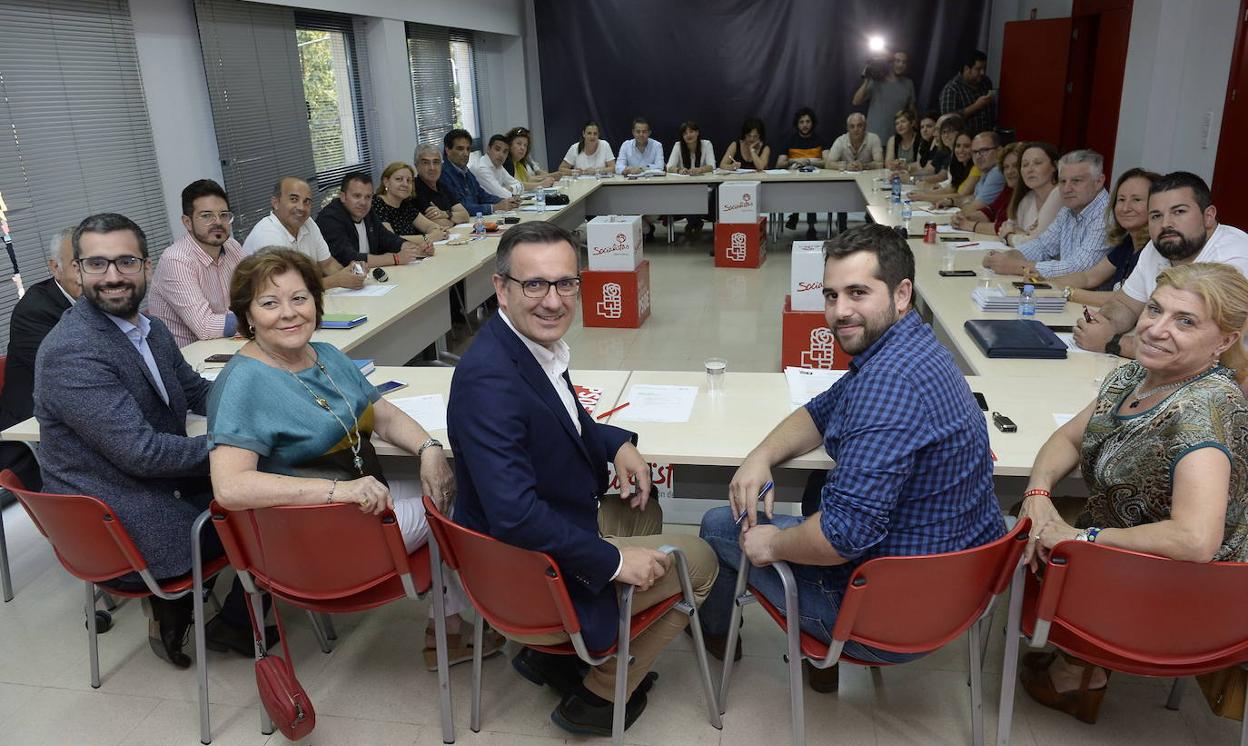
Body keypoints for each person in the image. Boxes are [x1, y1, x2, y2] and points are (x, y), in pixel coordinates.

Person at [696, 224, 1005, 693]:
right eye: (831, 294)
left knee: (722, 525)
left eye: (858, 293)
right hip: (954, 590)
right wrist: (761, 455)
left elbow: (842, 536)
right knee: (819, 492)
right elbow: (823, 410)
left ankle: (718, 641)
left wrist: (771, 546)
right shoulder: (914, 349)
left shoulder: (889, 385)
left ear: (902, 294)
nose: (840, 312)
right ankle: (811, 663)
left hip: (889, 617)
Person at [446, 221, 717, 735]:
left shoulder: (524, 346)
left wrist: (617, 444)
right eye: (535, 285)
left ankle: (553, 659)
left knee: (645, 504)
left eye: (565, 283)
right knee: (700, 562)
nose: (553, 301)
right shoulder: (490, 380)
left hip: (534, 542)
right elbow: (515, 514)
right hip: (526, 571)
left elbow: (568, 419)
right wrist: (614, 562)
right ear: (500, 288)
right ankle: (598, 695)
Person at [206, 247, 501, 670]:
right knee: (462, 504)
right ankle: (459, 629)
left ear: (316, 301)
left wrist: (429, 449)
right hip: (322, 534)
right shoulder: (243, 384)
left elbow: (380, 412)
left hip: (358, 507)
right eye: (270, 303)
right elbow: (231, 488)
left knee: (446, 480)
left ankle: (450, 632)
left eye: (299, 298)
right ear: (247, 316)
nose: (288, 313)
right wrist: (340, 490)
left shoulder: (325, 355)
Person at [1017, 262, 1248, 724]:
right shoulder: (1136, 377)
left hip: (1176, 592)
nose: (1156, 330)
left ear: (1224, 341)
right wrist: (1039, 493)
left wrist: (1079, 539)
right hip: (1130, 564)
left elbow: (1195, 540)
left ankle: (1081, 669)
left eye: (1185, 321)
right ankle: (1081, 662)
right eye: (1155, 310)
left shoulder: (1204, 409)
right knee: (1031, 518)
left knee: (1009, 540)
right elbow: (1067, 438)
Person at [35, 213, 261, 669]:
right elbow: (144, 453)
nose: (113, 276)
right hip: (120, 517)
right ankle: (230, 621)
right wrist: (247, 444)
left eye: (125, 262)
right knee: (268, 510)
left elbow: (195, 390)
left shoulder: (151, 329)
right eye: (97, 264)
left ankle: (205, 611)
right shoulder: (72, 351)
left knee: (260, 485)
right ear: (76, 271)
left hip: (143, 485)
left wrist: (267, 400)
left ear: (147, 266)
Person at [1074, 172, 1248, 357]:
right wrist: (1104, 324)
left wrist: (1111, 343)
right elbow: (1126, 304)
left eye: (1179, 212)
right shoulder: (1158, 246)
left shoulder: (1234, 259)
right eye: (1156, 216)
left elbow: (1205, 347)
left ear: (1208, 216)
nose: (1166, 224)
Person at [0, 227, 79, 491]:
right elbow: (75, 374)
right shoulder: (34, 311)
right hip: (36, 429)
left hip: (79, 414)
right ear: (55, 267)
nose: (90, 274)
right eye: (77, 264)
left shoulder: (105, 295)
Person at [982, 150, 1110, 278]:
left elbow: (1079, 267)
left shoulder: (1106, 214)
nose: (1066, 189)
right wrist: (1007, 256)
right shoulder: (1068, 209)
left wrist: (1016, 266)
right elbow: (1043, 246)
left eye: (1076, 181)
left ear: (1099, 181)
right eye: (1063, 181)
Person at [148, 180, 245, 348]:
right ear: (187, 222)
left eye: (223, 215)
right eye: (206, 216)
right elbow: (205, 326)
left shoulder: (232, 247)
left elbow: (256, 294)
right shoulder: (176, 260)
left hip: (226, 346)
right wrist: (258, 318)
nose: (218, 222)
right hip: (188, 360)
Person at [1047, 168, 1160, 306]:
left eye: (1136, 200)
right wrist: (1045, 283)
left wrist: (1068, 292)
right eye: (1121, 199)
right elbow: (1089, 277)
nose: (1125, 208)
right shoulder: (1127, 242)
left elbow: (1125, 299)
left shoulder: (1156, 249)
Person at [241, 177, 364, 290]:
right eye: (294, 199)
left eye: (307, 201)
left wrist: (350, 274)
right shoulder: (267, 235)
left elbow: (327, 264)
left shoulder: (308, 222)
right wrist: (337, 280)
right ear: (276, 203)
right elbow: (287, 288)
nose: (301, 207)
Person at [316, 172, 433, 270]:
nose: (363, 202)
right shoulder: (330, 218)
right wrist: (395, 258)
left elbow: (388, 238)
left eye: (368, 197)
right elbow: (348, 257)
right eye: (357, 196)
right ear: (343, 197)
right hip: (341, 286)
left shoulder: (367, 212)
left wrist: (415, 249)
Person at [440, 128, 520, 217]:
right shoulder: (443, 174)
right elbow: (463, 207)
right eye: (460, 149)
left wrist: (503, 201)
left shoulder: (466, 171)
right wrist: (494, 207)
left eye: (468, 149)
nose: (466, 153)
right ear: (448, 150)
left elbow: (481, 195)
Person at [951, 141, 1024, 236]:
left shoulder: (1026, 192)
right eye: (1006, 167)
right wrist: (965, 218)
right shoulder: (1010, 188)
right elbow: (990, 212)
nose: (1009, 171)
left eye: (1015, 166)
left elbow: (1004, 227)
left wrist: (968, 224)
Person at [998, 142, 1062, 248]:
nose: (1030, 169)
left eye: (1037, 163)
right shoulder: (1027, 198)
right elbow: (1006, 227)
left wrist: (1009, 236)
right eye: (1025, 165)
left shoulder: (1060, 194)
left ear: (1055, 166)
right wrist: (1021, 234)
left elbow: (1037, 245)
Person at [777, 107, 824, 240]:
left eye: (807, 121)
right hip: (793, 183)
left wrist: (809, 161)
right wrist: (795, 160)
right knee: (803, 189)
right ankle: (797, 215)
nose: (804, 125)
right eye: (801, 122)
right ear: (797, 124)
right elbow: (779, 164)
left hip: (815, 182)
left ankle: (810, 226)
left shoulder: (819, 140)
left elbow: (827, 161)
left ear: (812, 123)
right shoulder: (789, 140)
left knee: (810, 190)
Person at [852, 50, 918, 144]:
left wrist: (915, 128)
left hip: (898, 139)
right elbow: (856, 101)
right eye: (897, 61)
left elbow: (912, 109)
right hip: (874, 139)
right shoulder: (877, 81)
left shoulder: (908, 84)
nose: (900, 64)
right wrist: (867, 80)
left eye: (904, 62)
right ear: (891, 63)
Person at [372, 161, 448, 241]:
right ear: (386, 182)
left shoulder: (404, 204)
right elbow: (390, 239)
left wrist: (438, 231)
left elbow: (429, 226)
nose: (405, 184)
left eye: (409, 180)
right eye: (399, 179)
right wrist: (429, 237)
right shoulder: (376, 203)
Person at [665, 121, 716, 237]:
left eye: (691, 132)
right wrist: (679, 170)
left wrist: (699, 170)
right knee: (686, 195)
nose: (689, 135)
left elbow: (712, 166)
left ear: (697, 133)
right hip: (684, 187)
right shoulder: (678, 146)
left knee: (703, 196)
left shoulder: (706, 144)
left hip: (704, 187)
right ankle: (695, 223)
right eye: (685, 133)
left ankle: (694, 223)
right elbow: (669, 167)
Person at [937, 131, 1004, 210]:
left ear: (999, 151)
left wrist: (962, 205)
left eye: (984, 151)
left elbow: (972, 209)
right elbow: (973, 198)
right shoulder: (986, 171)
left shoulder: (997, 172)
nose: (978, 156)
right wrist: (952, 202)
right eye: (975, 152)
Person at [939, 49, 996, 136]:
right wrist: (976, 106)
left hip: (988, 136)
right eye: (978, 69)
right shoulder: (951, 89)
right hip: (965, 141)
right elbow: (948, 120)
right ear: (966, 69)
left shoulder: (986, 82)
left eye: (984, 68)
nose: (982, 73)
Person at [413, 145, 471, 228]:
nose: (432, 168)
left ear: (441, 165)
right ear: (416, 165)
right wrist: (455, 220)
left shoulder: (442, 185)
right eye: (426, 163)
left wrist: (445, 214)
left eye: (436, 162)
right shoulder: (414, 189)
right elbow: (438, 224)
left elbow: (465, 215)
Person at [910, 131, 976, 202]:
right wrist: (921, 193)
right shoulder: (959, 165)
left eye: (966, 146)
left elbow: (960, 196)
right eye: (958, 146)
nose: (961, 150)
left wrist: (923, 197)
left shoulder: (976, 168)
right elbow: (949, 189)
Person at [473, 134, 526, 199]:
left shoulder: (499, 166)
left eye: (505, 152)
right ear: (488, 149)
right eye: (497, 149)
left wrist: (510, 189)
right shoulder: (481, 168)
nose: (501, 155)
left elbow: (521, 186)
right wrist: (507, 190)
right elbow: (501, 195)